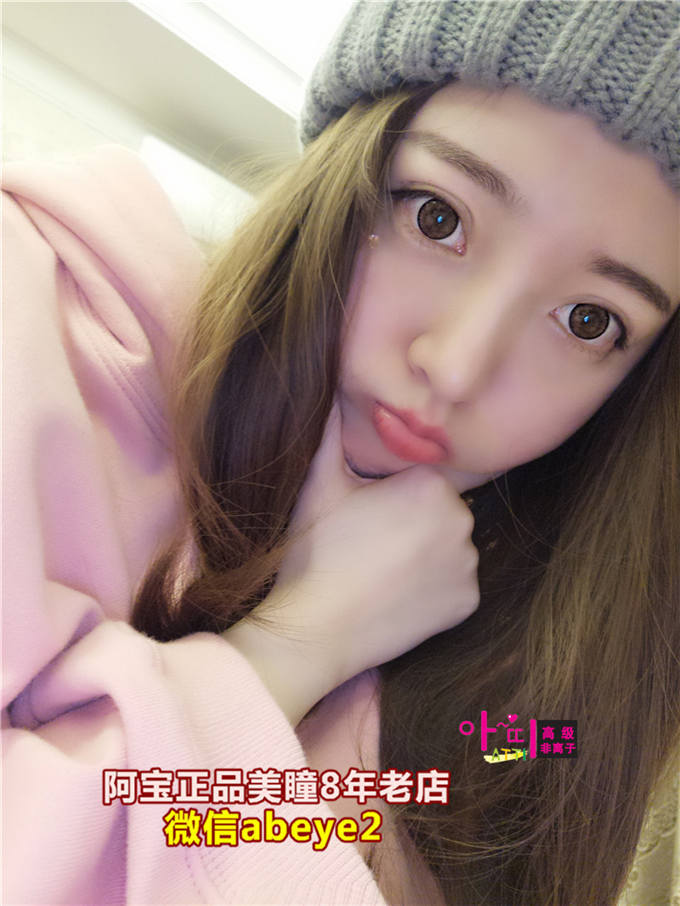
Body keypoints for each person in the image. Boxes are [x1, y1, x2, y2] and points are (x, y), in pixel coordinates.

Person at [2, 1, 678, 904]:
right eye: (436, 217)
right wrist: (298, 647)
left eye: (588, 321)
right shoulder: (40, 315)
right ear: (346, 162)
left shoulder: (520, 721)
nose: (455, 366)